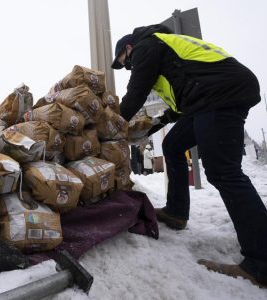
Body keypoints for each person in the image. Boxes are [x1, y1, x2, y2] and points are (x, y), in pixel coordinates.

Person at [111, 24, 267, 288]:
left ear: (129, 48)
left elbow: (136, 93)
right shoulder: (168, 55)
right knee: (172, 145)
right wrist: (152, 126)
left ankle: (261, 262)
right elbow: (177, 108)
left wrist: (112, 126)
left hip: (219, 94)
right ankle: (177, 211)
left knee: (224, 172)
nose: (129, 67)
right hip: (206, 97)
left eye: (126, 63)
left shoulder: (146, 45)